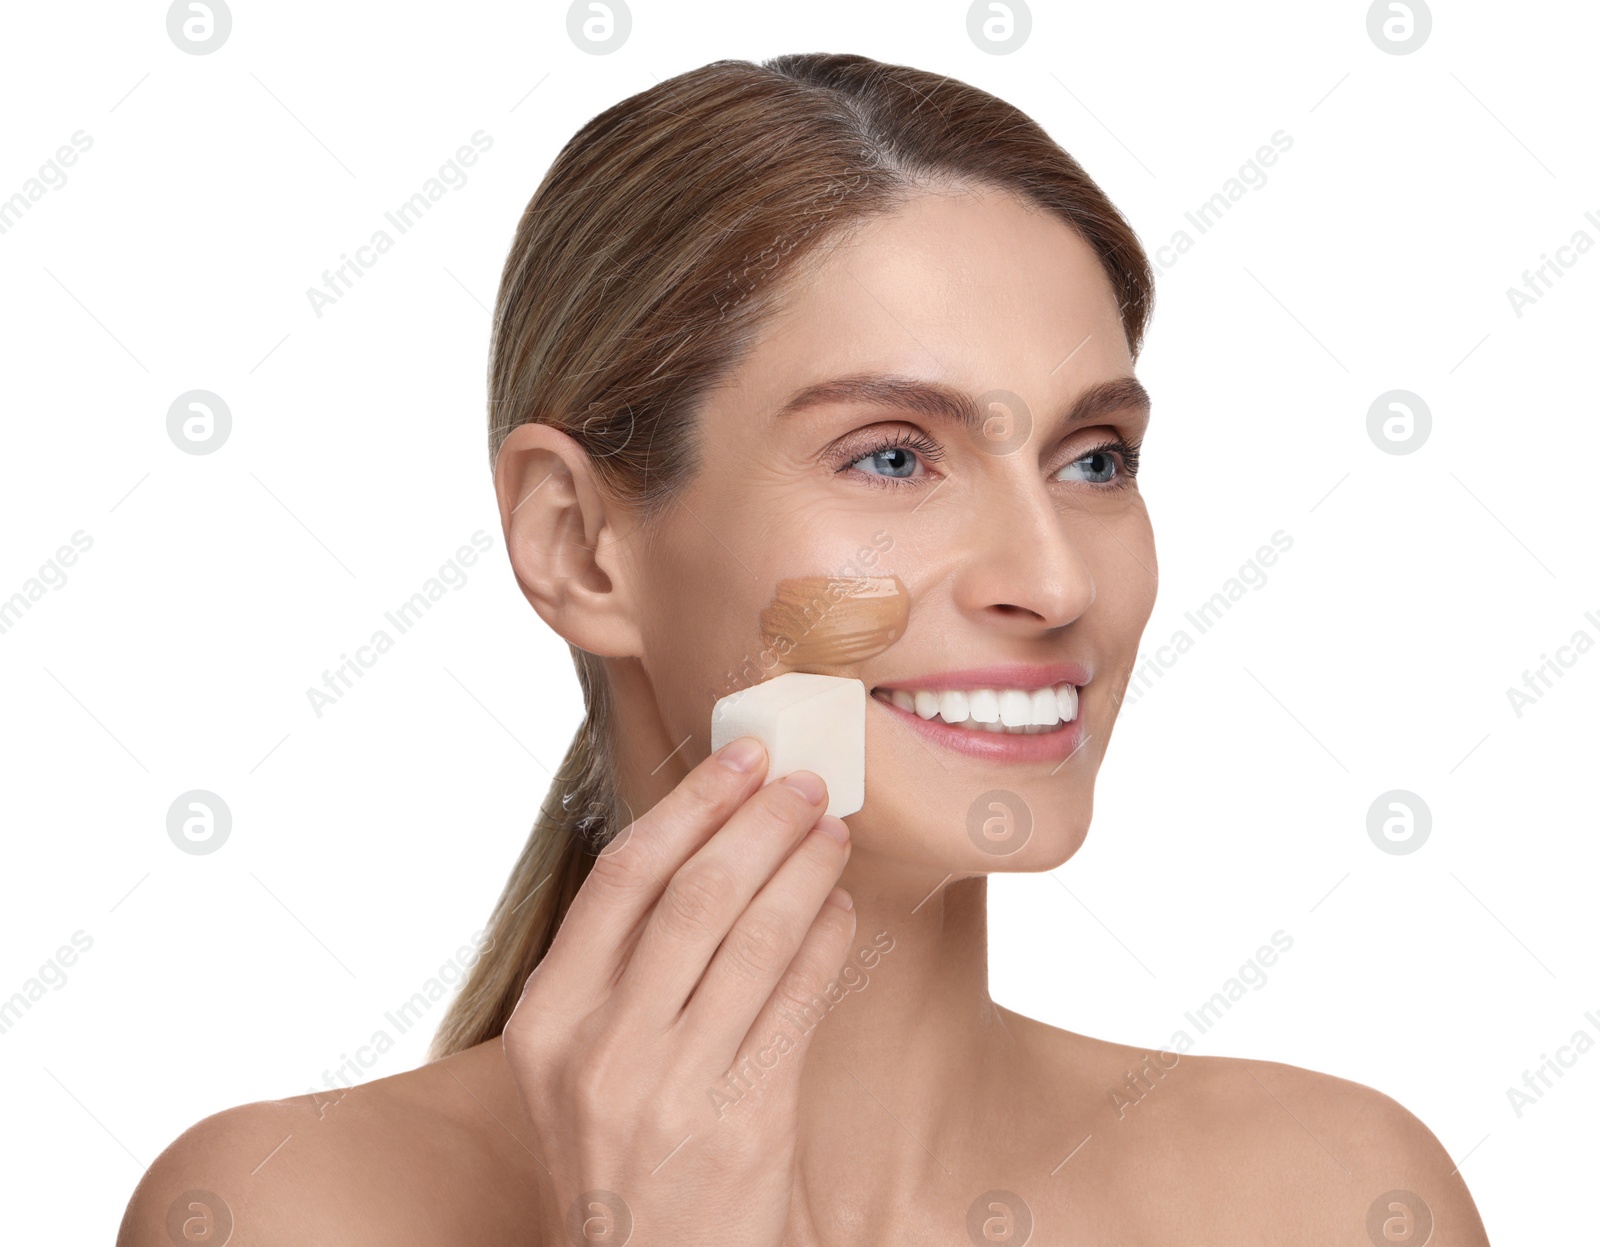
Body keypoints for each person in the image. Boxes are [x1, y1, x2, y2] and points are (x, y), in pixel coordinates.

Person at [120, 52, 1489, 1245]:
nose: (1055, 578)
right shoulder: (287, 1212)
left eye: (1093, 457)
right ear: (579, 544)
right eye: (892, 455)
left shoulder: (1331, 1197)